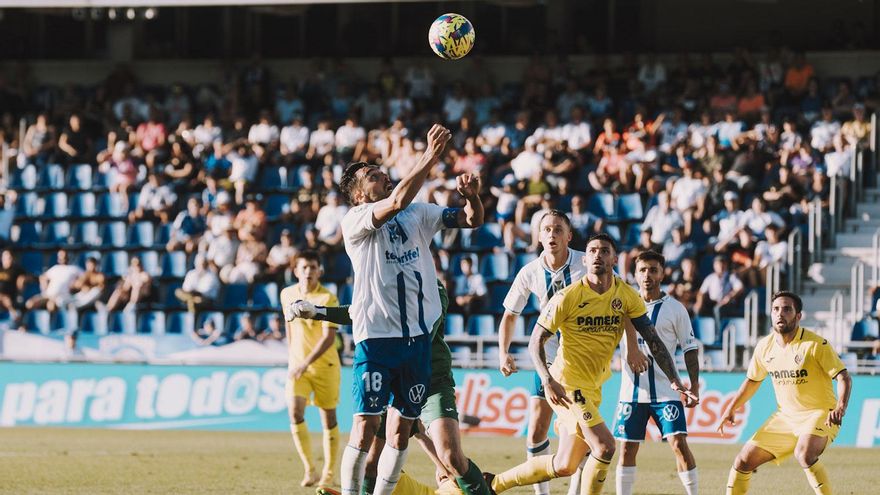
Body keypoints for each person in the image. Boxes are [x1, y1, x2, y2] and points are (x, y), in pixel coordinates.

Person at [337, 123, 486, 495]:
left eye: (381, 171)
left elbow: (471, 220)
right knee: (365, 426)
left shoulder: (418, 213)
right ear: (358, 196)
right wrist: (430, 156)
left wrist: (473, 199)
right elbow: (398, 201)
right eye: (372, 175)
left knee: (401, 430)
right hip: (376, 338)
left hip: (417, 341)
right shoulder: (356, 221)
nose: (382, 175)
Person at [485, 234, 695, 495]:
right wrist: (548, 380)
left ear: (615, 259)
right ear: (584, 260)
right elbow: (535, 341)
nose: (598, 255)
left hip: (593, 387)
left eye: (604, 251)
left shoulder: (626, 296)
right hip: (567, 384)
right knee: (605, 446)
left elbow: (653, 339)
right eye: (593, 251)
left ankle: (493, 484)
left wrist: (674, 378)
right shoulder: (567, 297)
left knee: (565, 465)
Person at [293, 279, 492, 495]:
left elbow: (423, 334)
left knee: (451, 457)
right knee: (371, 462)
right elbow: (360, 312)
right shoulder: (383, 280)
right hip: (394, 378)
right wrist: (318, 312)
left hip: (431, 379)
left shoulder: (434, 287)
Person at [718, 291, 852, 495]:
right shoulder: (764, 346)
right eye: (776, 309)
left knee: (804, 454)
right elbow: (753, 381)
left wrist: (840, 406)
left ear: (798, 316)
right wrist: (731, 408)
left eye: (787, 309)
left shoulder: (815, 344)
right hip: (786, 418)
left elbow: (843, 377)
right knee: (742, 461)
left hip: (820, 414)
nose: (780, 314)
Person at [496, 210, 588, 495]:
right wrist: (503, 353)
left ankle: (576, 491)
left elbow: (618, 298)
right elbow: (510, 315)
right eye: (546, 229)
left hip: (581, 360)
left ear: (569, 236)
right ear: (538, 236)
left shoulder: (587, 263)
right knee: (537, 427)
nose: (552, 234)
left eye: (558, 229)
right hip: (547, 359)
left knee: (582, 430)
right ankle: (542, 493)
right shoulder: (530, 272)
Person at [612, 251, 700, 495]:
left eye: (653, 269)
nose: (647, 275)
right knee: (627, 448)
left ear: (662, 273)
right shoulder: (622, 304)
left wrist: (694, 385)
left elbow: (690, 349)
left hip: (666, 392)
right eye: (642, 270)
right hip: (631, 391)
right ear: (635, 273)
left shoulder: (675, 309)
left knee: (678, 444)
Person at [280, 251, 341, 488]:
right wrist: (292, 357)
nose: (308, 272)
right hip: (297, 367)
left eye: (313, 267)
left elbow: (329, 338)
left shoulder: (327, 298)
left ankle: (328, 473)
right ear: (296, 271)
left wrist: (305, 362)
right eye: (304, 267)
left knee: (328, 419)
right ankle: (310, 469)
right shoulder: (287, 294)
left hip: (324, 366)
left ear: (319, 271)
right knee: (295, 413)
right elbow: (289, 326)